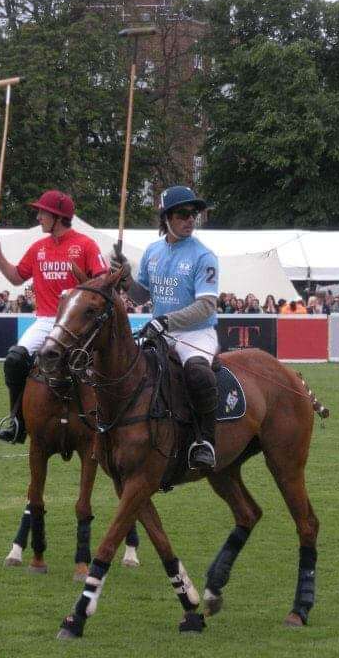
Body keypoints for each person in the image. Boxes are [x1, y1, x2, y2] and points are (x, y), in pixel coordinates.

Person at [0, 189, 108, 443]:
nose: (38, 216)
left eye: (42, 212)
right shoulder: (38, 248)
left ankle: (107, 420)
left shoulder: (85, 245)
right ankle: (17, 421)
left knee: (102, 365)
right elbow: (16, 277)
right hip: (45, 321)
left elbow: (103, 280)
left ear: (58, 216)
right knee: (15, 360)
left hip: (76, 323)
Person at [113, 185, 220, 470]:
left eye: (194, 214)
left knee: (198, 374)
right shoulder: (153, 252)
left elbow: (206, 306)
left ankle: (205, 441)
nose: (190, 220)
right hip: (160, 331)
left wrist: (166, 321)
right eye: (183, 214)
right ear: (166, 218)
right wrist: (125, 278)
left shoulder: (203, 256)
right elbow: (141, 295)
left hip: (196, 333)